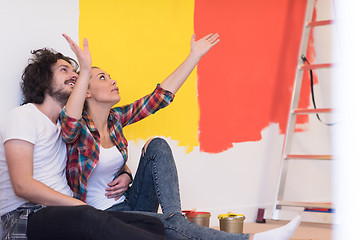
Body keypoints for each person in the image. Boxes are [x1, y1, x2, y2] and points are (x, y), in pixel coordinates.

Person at [61, 33, 302, 240]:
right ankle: (250, 238)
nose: (112, 80)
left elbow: (159, 98)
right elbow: (69, 125)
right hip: (105, 218)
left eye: (109, 75)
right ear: (87, 92)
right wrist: (84, 70)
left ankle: (176, 220)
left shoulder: (116, 120)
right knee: (164, 225)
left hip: (130, 203)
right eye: (102, 77)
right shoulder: (79, 128)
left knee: (156, 145)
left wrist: (194, 56)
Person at [0, 48, 169, 240]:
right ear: (44, 79)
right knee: (88, 217)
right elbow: (22, 185)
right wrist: (79, 205)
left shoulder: (70, 128)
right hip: (25, 216)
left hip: (67, 213)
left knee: (150, 223)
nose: (74, 75)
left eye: (76, 72)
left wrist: (126, 172)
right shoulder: (24, 116)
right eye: (64, 70)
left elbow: (98, 155)